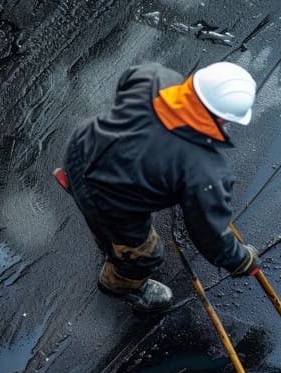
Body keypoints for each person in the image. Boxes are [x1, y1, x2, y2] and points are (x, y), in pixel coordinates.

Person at [62, 61, 261, 312]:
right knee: (145, 255)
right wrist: (241, 260)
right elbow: (209, 235)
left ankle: (83, 198)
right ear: (222, 118)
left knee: (102, 215)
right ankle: (118, 283)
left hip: (82, 149)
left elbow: (126, 84)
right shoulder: (205, 170)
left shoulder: (156, 77)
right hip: (109, 199)